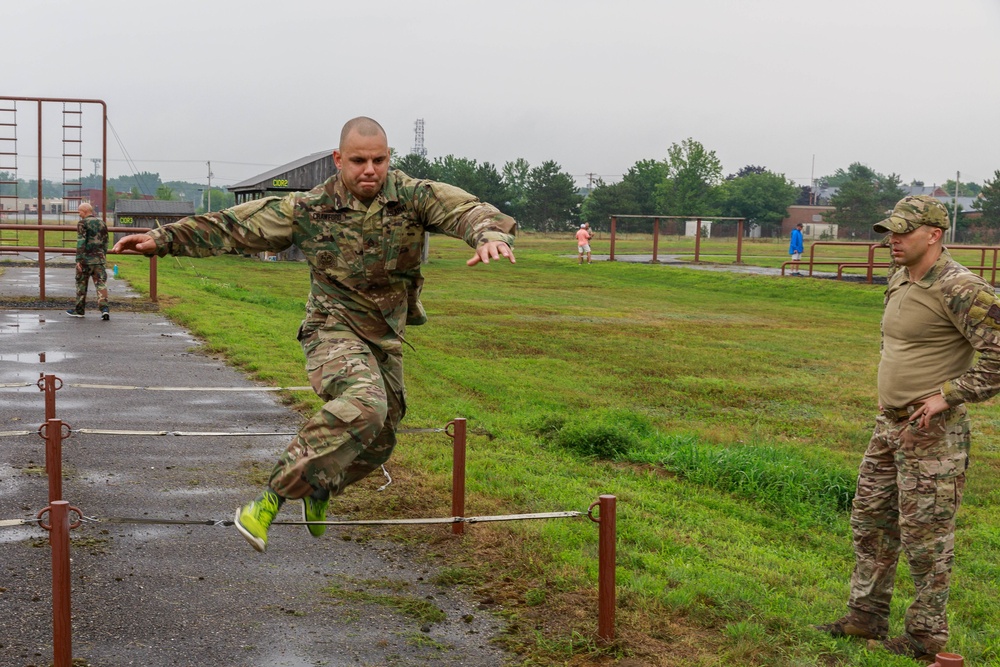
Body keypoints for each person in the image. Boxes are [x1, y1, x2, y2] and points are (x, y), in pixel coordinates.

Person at [112, 117, 516, 552]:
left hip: (383, 336)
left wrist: (488, 236)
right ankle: (268, 500)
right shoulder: (308, 208)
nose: (369, 170)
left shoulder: (414, 197)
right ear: (339, 159)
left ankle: (321, 488)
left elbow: (466, 210)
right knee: (364, 405)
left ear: (389, 159)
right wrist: (164, 238)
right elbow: (235, 225)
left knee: (381, 438)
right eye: (359, 160)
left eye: (379, 160)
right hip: (331, 327)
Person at [816, 195, 1000, 660]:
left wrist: (948, 394)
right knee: (870, 521)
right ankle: (866, 616)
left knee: (926, 538)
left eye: (902, 232)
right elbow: (899, 342)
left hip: (933, 433)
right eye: (890, 232)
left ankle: (925, 637)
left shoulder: (962, 288)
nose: (893, 241)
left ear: (934, 235)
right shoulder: (900, 278)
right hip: (889, 423)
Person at [67, 202, 110, 320]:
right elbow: (106, 242)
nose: (79, 214)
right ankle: (104, 309)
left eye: (79, 211)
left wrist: (78, 260)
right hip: (99, 260)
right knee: (101, 285)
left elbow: (81, 242)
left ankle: (79, 310)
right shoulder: (102, 223)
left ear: (85, 211)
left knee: (81, 284)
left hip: (85, 260)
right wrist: (103, 256)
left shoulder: (82, 223)